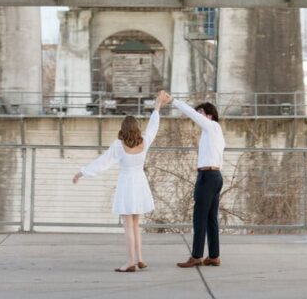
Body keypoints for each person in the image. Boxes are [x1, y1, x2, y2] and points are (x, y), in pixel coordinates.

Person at [72, 91, 164, 272]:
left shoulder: (118, 145)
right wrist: (157, 106)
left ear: (123, 128)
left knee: (128, 225)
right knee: (136, 224)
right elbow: (153, 126)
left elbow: (102, 162)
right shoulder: (144, 141)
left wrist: (81, 173)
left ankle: (130, 262)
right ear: (137, 128)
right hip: (140, 183)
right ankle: (139, 258)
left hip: (126, 184)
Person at [159, 91, 225, 268]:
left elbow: (190, 113)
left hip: (208, 176)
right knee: (211, 218)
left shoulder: (211, 126)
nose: (198, 116)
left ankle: (196, 256)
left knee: (199, 217)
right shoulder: (212, 132)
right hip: (215, 176)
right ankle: (214, 256)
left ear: (209, 115)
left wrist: (172, 100)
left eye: (201, 113)